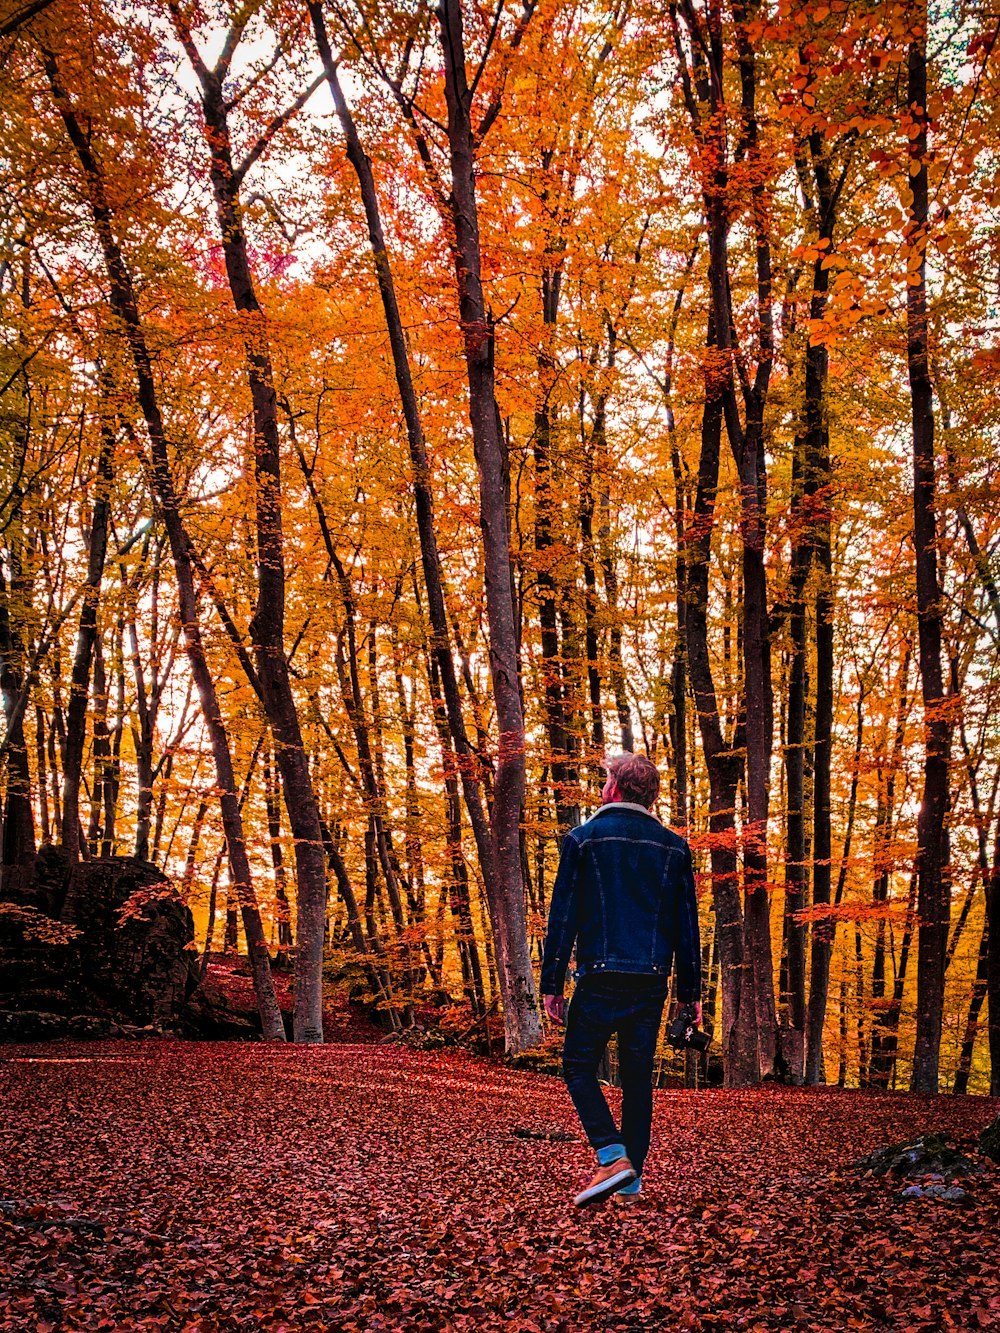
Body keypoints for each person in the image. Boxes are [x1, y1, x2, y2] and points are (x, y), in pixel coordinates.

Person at [540, 752, 702, 1207]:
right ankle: (631, 1185)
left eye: (605, 780)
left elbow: (563, 917)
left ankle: (612, 1155)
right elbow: (685, 927)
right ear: (650, 796)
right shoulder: (674, 847)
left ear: (613, 788)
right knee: (635, 1079)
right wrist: (691, 995)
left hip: (599, 973)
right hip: (651, 980)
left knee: (577, 1065)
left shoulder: (583, 840)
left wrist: (552, 982)